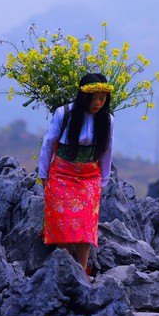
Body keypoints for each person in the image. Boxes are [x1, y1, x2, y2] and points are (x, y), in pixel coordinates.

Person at [38, 72, 114, 276]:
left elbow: (106, 151)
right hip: (61, 174)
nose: (97, 103)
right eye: (93, 98)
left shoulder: (107, 119)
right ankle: (64, 266)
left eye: (102, 98)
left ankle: (81, 269)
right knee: (62, 222)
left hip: (89, 177)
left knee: (86, 224)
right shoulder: (64, 114)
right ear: (83, 96)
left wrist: (103, 180)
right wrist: (43, 174)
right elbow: (48, 144)